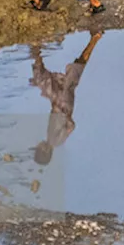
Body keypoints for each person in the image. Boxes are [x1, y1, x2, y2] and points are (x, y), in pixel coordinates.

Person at [29, 31, 102, 166]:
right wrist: (64, 114)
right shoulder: (56, 142)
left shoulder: (50, 138)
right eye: (38, 149)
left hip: (57, 101)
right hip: (63, 103)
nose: (38, 145)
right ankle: (95, 38)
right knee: (74, 70)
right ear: (45, 151)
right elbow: (71, 127)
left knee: (42, 79)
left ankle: (37, 49)